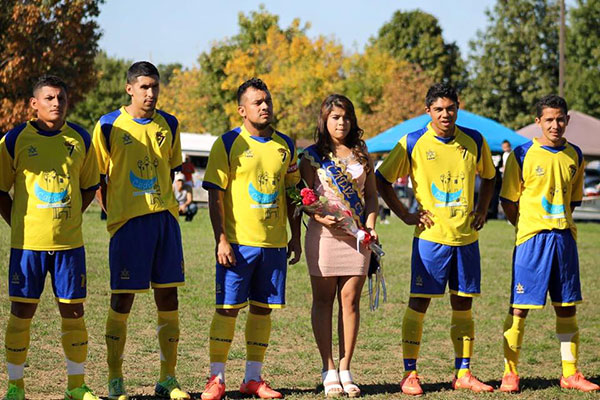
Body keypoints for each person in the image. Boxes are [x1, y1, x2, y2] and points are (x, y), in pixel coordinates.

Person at [376, 83, 496, 396]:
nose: (445, 114)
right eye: (439, 109)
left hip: (466, 238)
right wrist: (404, 214)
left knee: (463, 305)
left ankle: (464, 372)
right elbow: (381, 179)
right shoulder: (413, 141)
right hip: (431, 239)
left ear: (459, 107)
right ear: (428, 111)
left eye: (451, 108)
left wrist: (483, 208)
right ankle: (410, 373)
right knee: (419, 303)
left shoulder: (475, 140)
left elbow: (491, 176)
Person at [92, 61, 189, 400]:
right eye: (144, 87)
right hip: (128, 225)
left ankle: (168, 378)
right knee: (123, 299)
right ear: (129, 88)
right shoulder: (107, 125)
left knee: (169, 296)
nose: (150, 93)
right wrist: (116, 213)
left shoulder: (171, 124)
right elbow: (98, 178)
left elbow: (174, 168)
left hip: (165, 221)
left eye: (155, 87)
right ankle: (115, 379)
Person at [200, 78, 301, 400]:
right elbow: (215, 195)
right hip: (239, 244)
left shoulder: (286, 145)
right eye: (257, 102)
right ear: (242, 110)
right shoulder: (227, 143)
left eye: (267, 101)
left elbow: (294, 193)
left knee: (262, 309)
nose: (265, 106)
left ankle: (253, 379)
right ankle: (216, 378)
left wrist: (295, 237)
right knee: (228, 309)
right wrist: (222, 239)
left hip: (274, 244)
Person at [0, 75, 100, 400]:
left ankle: (76, 386)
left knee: (74, 312)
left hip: (69, 247)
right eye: (49, 98)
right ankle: (15, 386)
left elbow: (88, 187)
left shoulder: (81, 139)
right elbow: (0, 190)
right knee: (21, 314)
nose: (56, 103)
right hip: (27, 246)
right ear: (34, 104)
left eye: (61, 98)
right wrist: (18, 222)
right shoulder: (14, 140)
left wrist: (69, 218)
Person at [499, 95, 599, 393]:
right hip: (532, 240)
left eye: (560, 119)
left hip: (564, 238)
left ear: (567, 120)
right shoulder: (522, 154)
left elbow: (575, 199)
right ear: (537, 121)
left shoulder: (576, 155)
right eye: (549, 120)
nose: (555, 125)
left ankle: (570, 373)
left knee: (566, 306)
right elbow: (508, 200)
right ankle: (510, 372)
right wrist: (526, 225)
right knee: (520, 306)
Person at [300, 94, 378, 398]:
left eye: (345, 116)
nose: (341, 122)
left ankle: (346, 367)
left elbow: (371, 196)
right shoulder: (310, 156)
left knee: (351, 301)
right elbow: (304, 198)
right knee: (323, 300)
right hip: (324, 236)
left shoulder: (362, 152)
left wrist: (369, 226)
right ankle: (328, 367)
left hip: (358, 237)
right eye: (334, 117)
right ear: (324, 120)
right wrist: (319, 216)